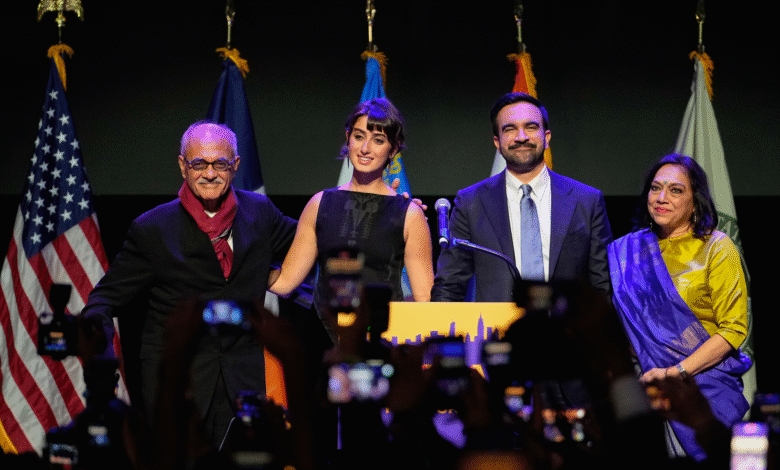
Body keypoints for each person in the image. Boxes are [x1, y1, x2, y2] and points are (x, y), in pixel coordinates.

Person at [82, 121, 298, 448]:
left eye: (220, 164)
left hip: (243, 380)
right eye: (199, 164)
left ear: (235, 165)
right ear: (183, 166)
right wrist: (102, 357)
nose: (210, 173)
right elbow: (103, 299)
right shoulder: (152, 228)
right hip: (177, 382)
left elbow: (308, 240)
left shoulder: (259, 213)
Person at [608, 153, 752, 461]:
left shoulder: (717, 247)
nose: (662, 198)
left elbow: (733, 330)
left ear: (694, 201)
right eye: (655, 188)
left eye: (676, 190)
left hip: (703, 392)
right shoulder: (627, 252)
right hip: (643, 391)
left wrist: (674, 374)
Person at [431, 92, 613, 302]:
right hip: (497, 323)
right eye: (510, 129)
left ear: (547, 137)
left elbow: (602, 287)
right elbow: (449, 286)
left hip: (566, 322)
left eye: (531, 127)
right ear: (497, 142)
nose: (521, 137)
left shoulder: (587, 200)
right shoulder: (471, 202)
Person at [268, 98, 434, 321]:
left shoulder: (410, 214)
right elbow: (286, 282)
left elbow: (424, 299)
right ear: (348, 138)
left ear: (393, 149)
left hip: (380, 333)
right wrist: (240, 268)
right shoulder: (320, 204)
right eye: (359, 136)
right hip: (324, 336)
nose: (365, 148)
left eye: (378, 140)